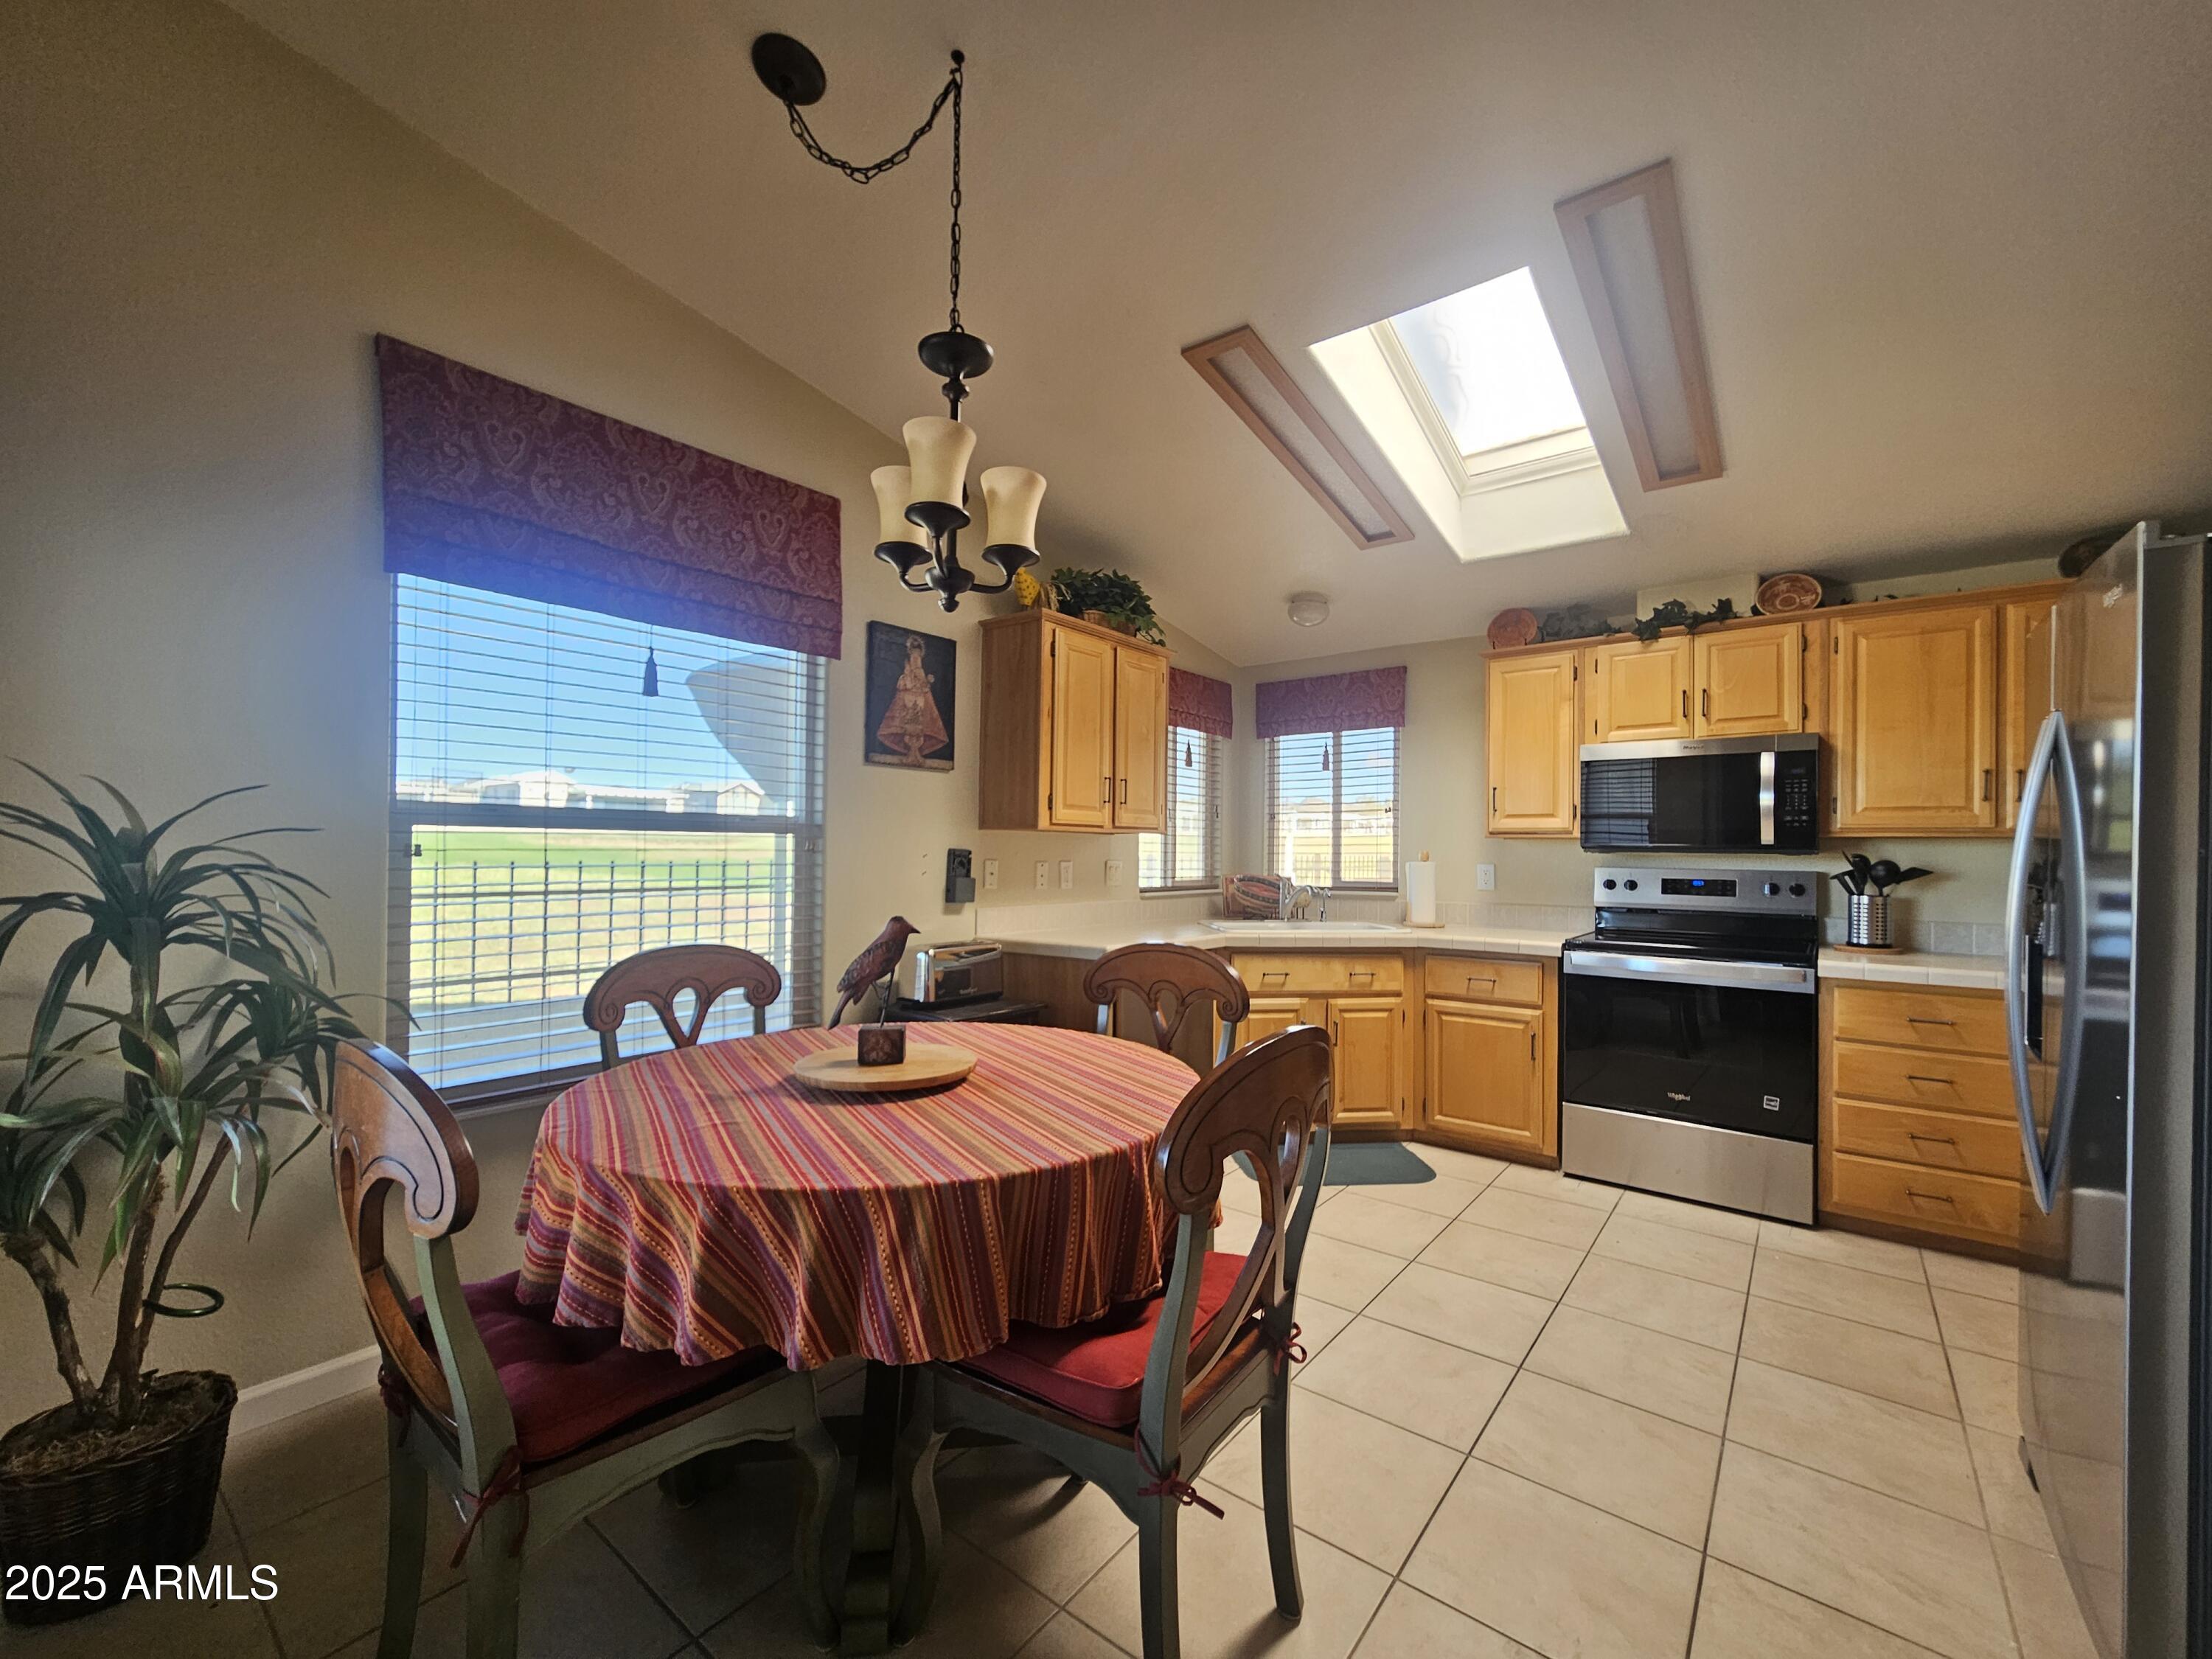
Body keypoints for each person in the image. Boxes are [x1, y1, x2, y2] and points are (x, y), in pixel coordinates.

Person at [876, 633, 949, 764]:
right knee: (911, 725)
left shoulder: (918, 667)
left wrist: (927, 681)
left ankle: (914, 753)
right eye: (914, 653)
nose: (916, 657)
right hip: (910, 697)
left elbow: (923, 684)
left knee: (918, 725)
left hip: (918, 697)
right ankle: (912, 753)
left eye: (918, 654)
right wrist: (924, 682)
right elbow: (913, 681)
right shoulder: (910, 668)